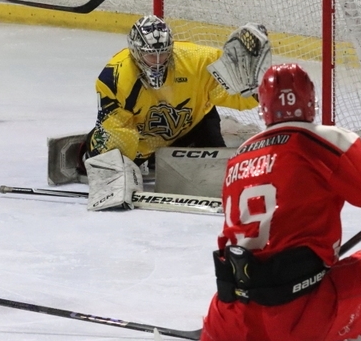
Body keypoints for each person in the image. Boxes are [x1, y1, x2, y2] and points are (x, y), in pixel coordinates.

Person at [191, 63, 361, 341]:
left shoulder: (240, 156)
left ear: (263, 108)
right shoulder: (320, 141)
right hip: (299, 315)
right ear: (311, 102)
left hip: (230, 320)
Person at [77, 15, 270, 210]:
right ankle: (98, 149)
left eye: (164, 53)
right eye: (152, 55)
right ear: (135, 52)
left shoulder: (198, 60)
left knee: (213, 174)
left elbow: (229, 92)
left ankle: (165, 154)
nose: (159, 61)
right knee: (112, 154)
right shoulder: (116, 76)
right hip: (145, 136)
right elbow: (116, 129)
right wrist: (113, 162)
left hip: (192, 125)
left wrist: (256, 89)